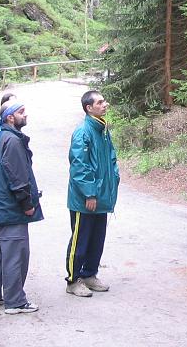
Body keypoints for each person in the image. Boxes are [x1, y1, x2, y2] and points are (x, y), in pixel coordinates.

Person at [0, 102, 44, 314]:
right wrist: (27, 204)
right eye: (20, 112)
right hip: (10, 209)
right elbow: (17, 177)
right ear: (10, 117)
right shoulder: (13, 141)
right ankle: (15, 301)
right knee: (16, 253)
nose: (25, 115)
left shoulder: (2, 136)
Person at [65, 90, 120, 297]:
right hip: (85, 200)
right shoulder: (83, 132)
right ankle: (73, 279)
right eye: (100, 102)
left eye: (104, 100)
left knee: (97, 238)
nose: (105, 104)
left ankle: (89, 274)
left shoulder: (102, 129)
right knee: (81, 239)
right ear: (89, 108)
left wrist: (115, 178)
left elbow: (111, 158)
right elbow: (79, 166)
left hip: (102, 197)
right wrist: (89, 193)